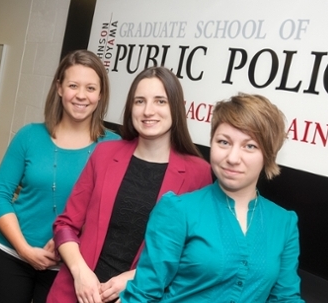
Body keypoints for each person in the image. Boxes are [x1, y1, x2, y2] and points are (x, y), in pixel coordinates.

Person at [47, 66, 212, 303]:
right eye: (139, 101)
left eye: (160, 101)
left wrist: (135, 278)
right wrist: (80, 273)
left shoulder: (198, 173)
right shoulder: (104, 154)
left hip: (140, 296)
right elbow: (65, 225)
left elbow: (192, 253)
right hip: (77, 293)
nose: (148, 111)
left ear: (175, 107)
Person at [121, 93, 304, 303]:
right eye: (224, 142)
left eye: (250, 146)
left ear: (268, 154)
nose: (232, 158)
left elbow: (285, 298)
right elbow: (143, 294)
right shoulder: (178, 210)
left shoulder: (283, 222)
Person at [0, 49, 120, 303]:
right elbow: (0, 193)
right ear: (60, 88)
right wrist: (24, 249)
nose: (81, 95)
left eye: (91, 88)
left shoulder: (114, 147)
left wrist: (67, 242)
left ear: (101, 94)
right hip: (12, 255)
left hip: (71, 268)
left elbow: (110, 213)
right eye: (73, 85)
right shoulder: (29, 136)